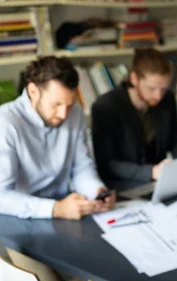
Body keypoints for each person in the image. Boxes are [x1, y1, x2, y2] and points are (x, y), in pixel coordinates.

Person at [0, 56, 115, 220]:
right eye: (56, 104)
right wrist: (56, 209)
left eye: (69, 104)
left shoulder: (74, 112)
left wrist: (97, 191)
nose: (63, 114)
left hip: (63, 210)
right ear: (33, 92)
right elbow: (1, 196)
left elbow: (82, 167)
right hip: (18, 216)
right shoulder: (5, 123)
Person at [91, 48, 177, 184]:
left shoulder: (168, 98)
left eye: (163, 89)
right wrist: (151, 171)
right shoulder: (106, 107)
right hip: (123, 185)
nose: (158, 96)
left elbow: (175, 137)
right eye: (151, 88)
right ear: (134, 79)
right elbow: (106, 164)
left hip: (158, 181)